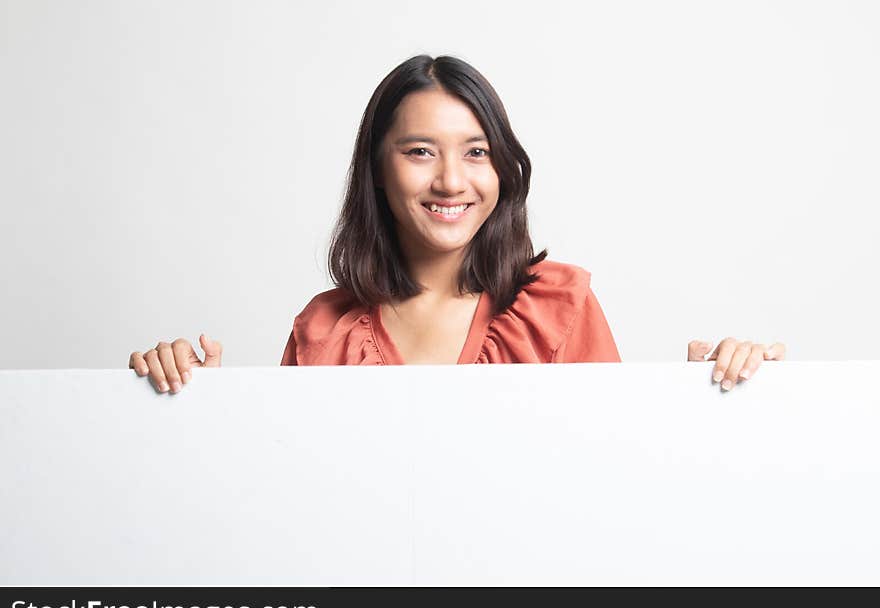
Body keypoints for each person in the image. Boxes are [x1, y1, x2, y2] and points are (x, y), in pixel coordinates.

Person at [128, 54, 785, 393]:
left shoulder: (561, 304)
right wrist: (200, 412)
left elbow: (619, 480)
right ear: (377, 171)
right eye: (419, 151)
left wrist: (718, 395)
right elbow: (276, 504)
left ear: (502, 169)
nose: (450, 180)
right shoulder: (321, 331)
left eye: (476, 152)